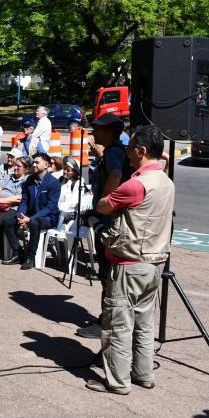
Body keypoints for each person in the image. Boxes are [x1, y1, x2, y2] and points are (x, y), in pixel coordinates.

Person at [86, 125, 175, 395]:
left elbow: (103, 206)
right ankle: (143, 374)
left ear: (142, 151)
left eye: (130, 148)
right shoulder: (166, 182)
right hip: (155, 262)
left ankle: (117, 381)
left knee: (118, 326)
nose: (127, 153)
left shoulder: (136, 185)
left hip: (129, 264)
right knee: (145, 324)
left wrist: (107, 188)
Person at [78, 113, 133, 339]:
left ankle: (106, 322)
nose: (94, 132)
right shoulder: (114, 151)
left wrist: (104, 203)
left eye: (98, 129)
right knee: (107, 274)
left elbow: (117, 174)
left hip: (109, 222)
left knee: (107, 274)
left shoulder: (113, 152)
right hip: (110, 219)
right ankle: (106, 317)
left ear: (111, 131)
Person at [1, 152, 61, 270]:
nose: (34, 164)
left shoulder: (54, 183)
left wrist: (30, 219)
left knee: (34, 223)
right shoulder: (30, 180)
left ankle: (30, 257)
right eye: (33, 162)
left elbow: (50, 208)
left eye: (37, 162)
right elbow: (24, 201)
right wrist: (20, 214)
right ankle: (17, 253)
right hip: (30, 214)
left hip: (48, 217)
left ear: (46, 165)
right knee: (8, 221)